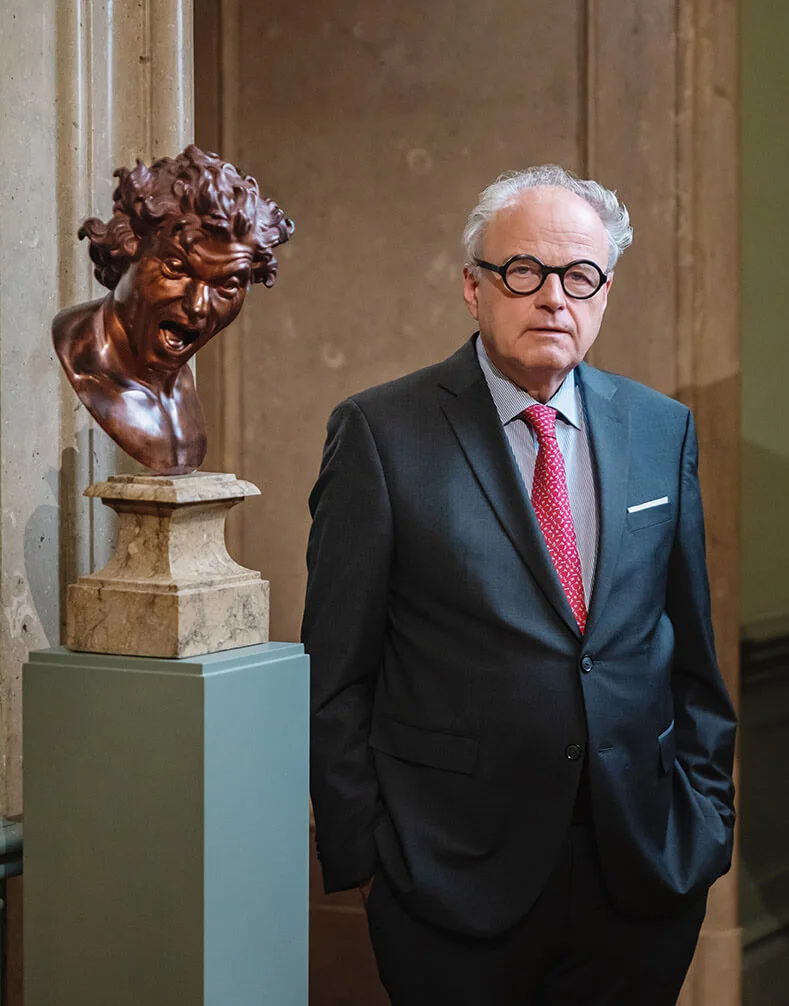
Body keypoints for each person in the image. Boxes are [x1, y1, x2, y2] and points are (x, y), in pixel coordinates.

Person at [304, 165, 736, 1005]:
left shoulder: (660, 428)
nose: (552, 299)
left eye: (579, 276)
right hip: (448, 880)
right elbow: (335, 672)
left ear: (603, 293)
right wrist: (365, 859)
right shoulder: (380, 433)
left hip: (641, 869)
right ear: (474, 287)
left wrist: (705, 821)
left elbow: (691, 651)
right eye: (524, 271)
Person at [53, 144, 292, 474]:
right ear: (128, 248)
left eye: (226, 285)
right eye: (176, 269)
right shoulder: (75, 363)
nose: (198, 306)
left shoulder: (182, 396)